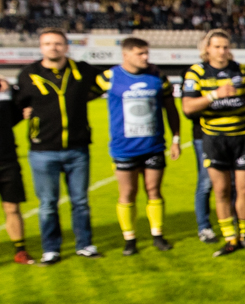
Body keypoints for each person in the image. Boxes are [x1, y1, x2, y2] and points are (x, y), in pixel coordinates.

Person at [17, 28, 105, 263]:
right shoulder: (29, 74)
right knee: (47, 204)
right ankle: (51, 248)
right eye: (47, 43)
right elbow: (19, 105)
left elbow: (105, 83)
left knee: (80, 202)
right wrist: (24, 112)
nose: (53, 47)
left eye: (57, 43)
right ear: (41, 47)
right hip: (43, 150)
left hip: (77, 149)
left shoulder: (82, 70)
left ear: (66, 47)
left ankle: (85, 245)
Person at [182, 29, 245, 257]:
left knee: (244, 188)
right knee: (220, 190)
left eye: (225, 46)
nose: (222, 51)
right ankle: (229, 237)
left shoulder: (241, 70)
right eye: (217, 47)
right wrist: (214, 95)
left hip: (242, 137)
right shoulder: (197, 72)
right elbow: (187, 107)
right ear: (207, 49)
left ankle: (242, 234)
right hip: (214, 139)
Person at [99, 37, 182, 255]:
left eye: (147, 53)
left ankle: (157, 234)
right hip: (123, 148)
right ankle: (130, 239)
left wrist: (176, 138)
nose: (145, 57)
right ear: (126, 55)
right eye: (140, 53)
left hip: (154, 146)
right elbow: (80, 96)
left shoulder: (157, 76)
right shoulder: (109, 77)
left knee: (154, 190)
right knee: (128, 193)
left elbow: (171, 109)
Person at [0, 77, 33, 264]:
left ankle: (20, 250)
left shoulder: (5, 94)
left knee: (12, 207)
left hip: (7, 160)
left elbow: (13, 118)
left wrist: (8, 94)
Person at [190, 111, 217, 243]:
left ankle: (238, 224)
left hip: (232, 133)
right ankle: (204, 227)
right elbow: (189, 111)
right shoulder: (195, 88)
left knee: (234, 181)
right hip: (203, 136)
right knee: (206, 182)